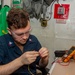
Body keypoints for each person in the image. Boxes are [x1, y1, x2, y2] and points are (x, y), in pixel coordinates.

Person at [0, 8, 49, 75]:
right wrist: (20, 61)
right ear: (9, 31)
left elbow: (41, 65)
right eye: (20, 34)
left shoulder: (33, 40)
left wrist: (44, 59)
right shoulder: (2, 43)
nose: (25, 37)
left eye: (27, 31)